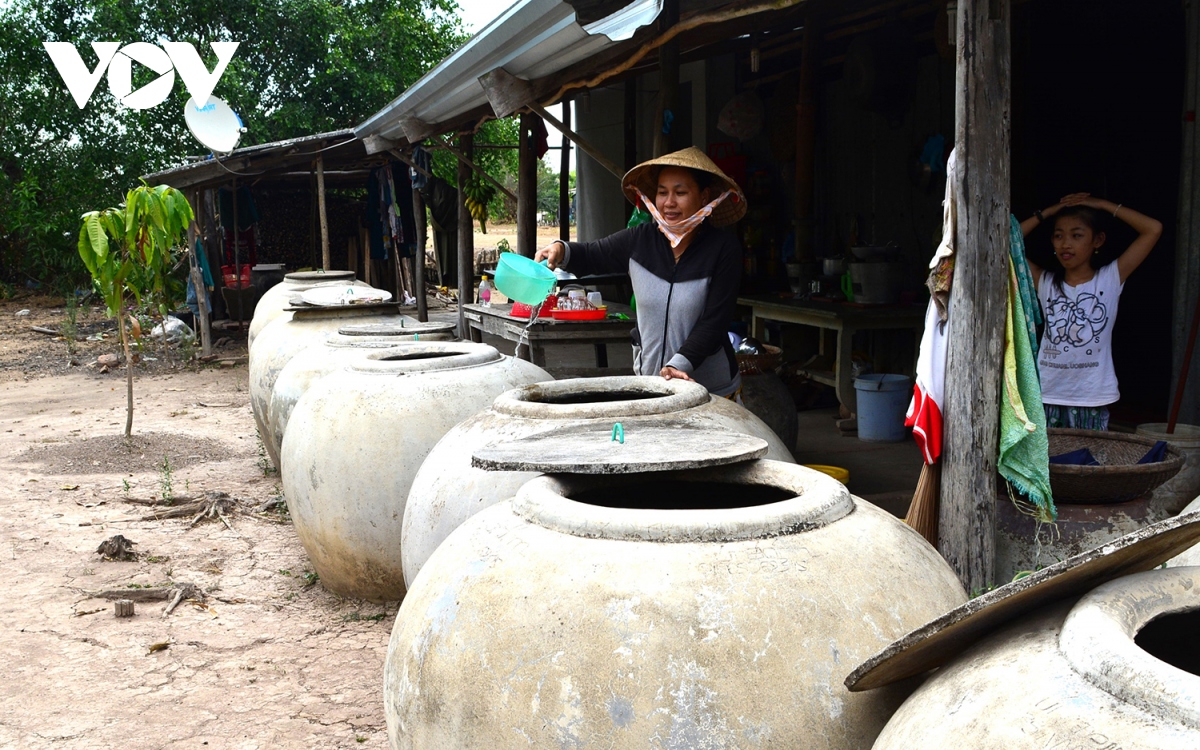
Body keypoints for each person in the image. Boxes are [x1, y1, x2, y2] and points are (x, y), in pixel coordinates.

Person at [535, 147, 746, 399]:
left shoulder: (723, 249)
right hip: (651, 384)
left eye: (680, 192)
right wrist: (561, 249)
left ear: (704, 197)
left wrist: (678, 364)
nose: (669, 202)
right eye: (662, 192)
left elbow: (715, 321)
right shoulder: (640, 240)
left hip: (711, 389)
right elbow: (593, 254)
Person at [1020, 194, 1162, 430]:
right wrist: (1050, 210)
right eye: (1058, 235)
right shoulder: (1045, 282)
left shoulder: (1109, 279)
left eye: (1077, 235)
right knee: (1046, 465)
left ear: (1098, 240)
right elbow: (1003, 240)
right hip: (1046, 394)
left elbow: (1153, 229)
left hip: (1092, 397)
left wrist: (1102, 205)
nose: (1066, 244)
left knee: (1090, 464)